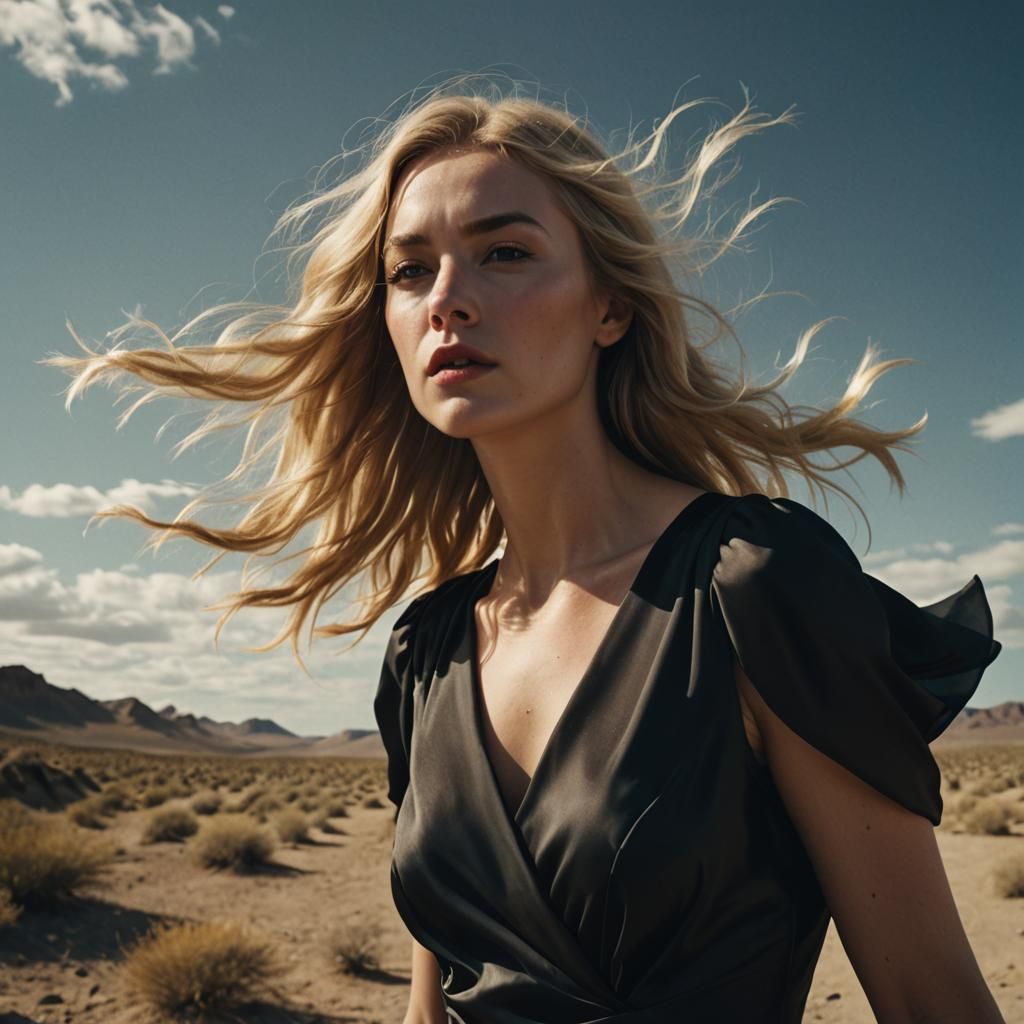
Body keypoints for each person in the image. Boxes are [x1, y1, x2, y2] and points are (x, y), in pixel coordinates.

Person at [47, 76, 1005, 1023]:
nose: (447, 301)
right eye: (410, 270)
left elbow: (931, 1001)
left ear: (610, 309)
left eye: (504, 252)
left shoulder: (754, 586)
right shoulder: (428, 651)